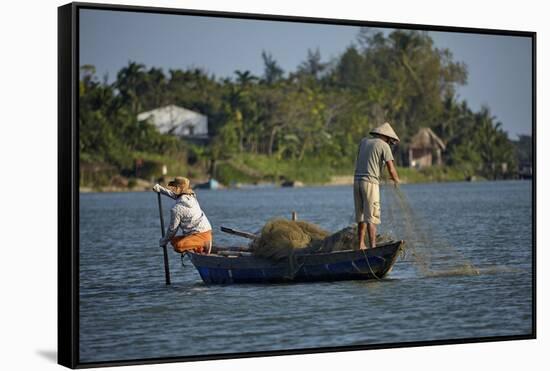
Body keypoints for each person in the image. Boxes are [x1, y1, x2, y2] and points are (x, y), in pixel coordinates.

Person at [354, 122, 401, 250]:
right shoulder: (384, 145)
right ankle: (373, 247)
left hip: (357, 182)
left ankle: (361, 244)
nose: (391, 142)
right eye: (390, 140)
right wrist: (396, 180)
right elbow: (391, 168)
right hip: (370, 183)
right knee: (372, 217)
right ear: (386, 137)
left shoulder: (364, 142)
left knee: (361, 216)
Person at [153, 176, 213, 254]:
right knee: (173, 241)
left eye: (174, 187)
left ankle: (204, 244)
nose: (172, 188)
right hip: (202, 232)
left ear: (177, 188)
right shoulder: (191, 196)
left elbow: (172, 230)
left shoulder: (177, 209)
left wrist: (163, 241)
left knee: (178, 246)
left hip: (202, 234)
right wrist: (161, 189)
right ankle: (199, 248)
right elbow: (175, 195)